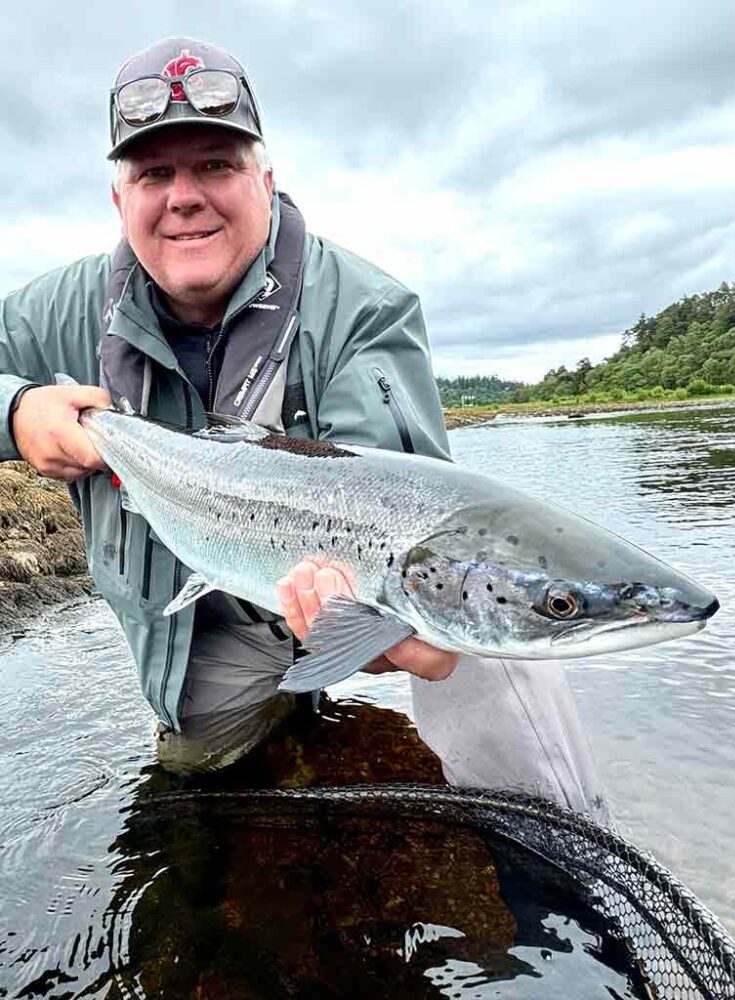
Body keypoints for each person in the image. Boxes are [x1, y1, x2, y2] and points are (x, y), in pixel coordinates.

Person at [0, 38, 608, 821]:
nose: (184, 196)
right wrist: (18, 409)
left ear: (266, 181)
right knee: (206, 775)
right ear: (121, 202)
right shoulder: (58, 308)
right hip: (202, 606)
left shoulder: (364, 306)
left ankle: (553, 867)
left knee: (487, 627)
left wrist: (397, 630)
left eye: (215, 165)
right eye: (154, 173)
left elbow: (404, 489)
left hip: (343, 576)